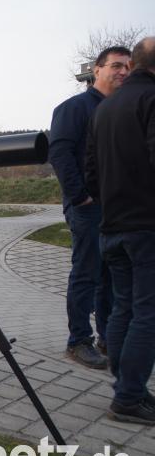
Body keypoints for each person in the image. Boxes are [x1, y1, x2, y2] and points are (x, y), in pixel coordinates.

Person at [85, 37, 155, 424]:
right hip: (146, 226)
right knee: (147, 313)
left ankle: (128, 389)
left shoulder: (106, 109)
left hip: (111, 226)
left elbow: (91, 173)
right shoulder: (151, 101)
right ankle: (128, 397)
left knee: (125, 308)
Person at [49, 45, 130, 369]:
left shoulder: (124, 108)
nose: (123, 71)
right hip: (87, 206)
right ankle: (78, 340)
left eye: (127, 66)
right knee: (87, 273)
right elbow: (60, 153)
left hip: (118, 207)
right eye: (116, 65)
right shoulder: (75, 107)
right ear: (97, 70)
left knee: (111, 274)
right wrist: (79, 196)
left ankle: (107, 337)